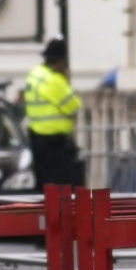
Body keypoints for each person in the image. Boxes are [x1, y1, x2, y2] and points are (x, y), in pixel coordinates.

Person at [21, 38, 84, 187]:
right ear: (61, 61)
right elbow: (73, 106)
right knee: (62, 186)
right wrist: (65, 80)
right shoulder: (54, 80)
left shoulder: (35, 73)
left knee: (44, 184)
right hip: (54, 142)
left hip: (37, 138)